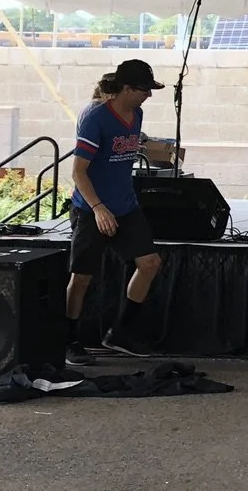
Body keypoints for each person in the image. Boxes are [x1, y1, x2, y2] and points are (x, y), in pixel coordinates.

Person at [65, 59, 178, 363]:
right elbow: (78, 172)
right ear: (126, 89)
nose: (149, 96)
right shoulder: (95, 118)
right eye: (144, 90)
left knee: (150, 263)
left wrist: (161, 151)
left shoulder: (136, 114)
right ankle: (70, 339)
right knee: (83, 276)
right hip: (92, 208)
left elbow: (130, 146)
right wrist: (98, 209)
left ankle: (121, 332)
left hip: (125, 206)